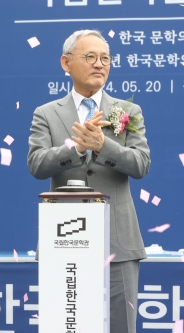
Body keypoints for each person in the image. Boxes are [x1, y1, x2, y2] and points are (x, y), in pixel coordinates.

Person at [28, 29, 150, 333]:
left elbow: (141, 164)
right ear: (66, 63)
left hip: (117, 242)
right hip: (64, 242)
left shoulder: (127, 111)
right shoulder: (46, 113)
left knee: (121, 326)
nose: (100, 64)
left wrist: (102, 146)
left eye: (105, 58)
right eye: (90, 57)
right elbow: (37, 165)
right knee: (66, 325)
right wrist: (77, 147)